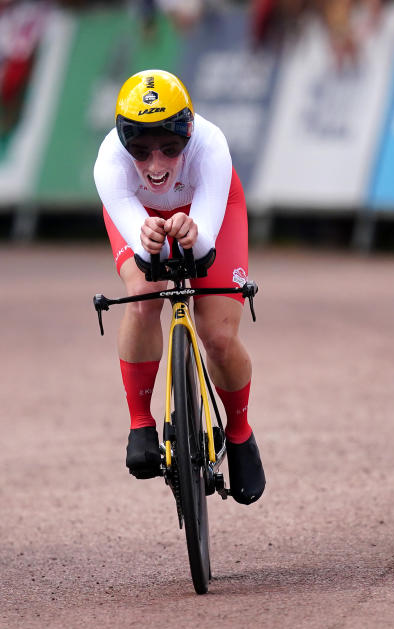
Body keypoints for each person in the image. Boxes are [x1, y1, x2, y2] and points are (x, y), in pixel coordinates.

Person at [93, 69, 265, 505]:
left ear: (188, 135)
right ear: (122, 142)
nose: (155, 166)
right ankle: (140, 423)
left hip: (209, 210)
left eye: (170, 150)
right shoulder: (109, 162)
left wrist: (193, 231)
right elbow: (147, 258)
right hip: (140, 215)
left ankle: (240, 432)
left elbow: (204, 245)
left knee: (219, 336)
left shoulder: (210, 145)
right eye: (141, 151)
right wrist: (149, 239)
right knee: (143, 296)